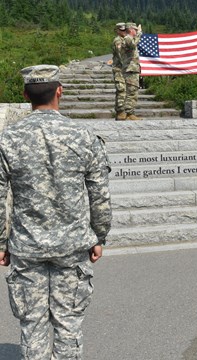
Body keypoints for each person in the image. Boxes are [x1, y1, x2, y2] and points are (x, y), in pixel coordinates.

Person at [0, 65, 112, 358]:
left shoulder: (7, 138)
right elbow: (99, 194)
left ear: (26, 95)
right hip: (72, 246)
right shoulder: (84, 135)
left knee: (32, 325)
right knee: (69, 324)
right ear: (59, 91)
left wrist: (0, 242)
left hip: (27, 247)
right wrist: (99, 236)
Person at [121, 22, 142, 121]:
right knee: (132, 92)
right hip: (130, 69)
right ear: (131, 30)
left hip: (132, 69)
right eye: (135, 30)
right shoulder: (128, 38)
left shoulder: (130, 38)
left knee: (133, 91)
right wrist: (139, 35)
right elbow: (133, 45)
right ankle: (129, 113)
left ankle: (129, 112)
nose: (136, 31)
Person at [112, 22, 127, 120]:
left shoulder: (124, 40)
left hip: (123, 69)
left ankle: (121, 111)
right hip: (119, 69)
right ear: (117, 30)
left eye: (125, 30)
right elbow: (121, 54)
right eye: (121, 30)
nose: (124, 32)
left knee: (123, 90)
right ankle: (120, 112)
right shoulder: (118, 40)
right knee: (121, 90)